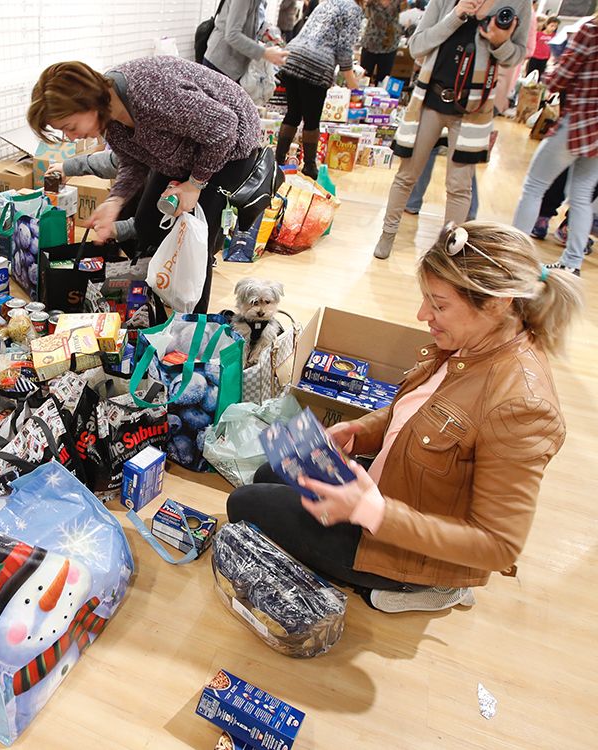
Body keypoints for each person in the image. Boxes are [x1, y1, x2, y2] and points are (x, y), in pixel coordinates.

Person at [228, 221, 583, 613]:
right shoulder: (470, 343)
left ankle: (425, 587)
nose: (421, 314)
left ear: (497, 303)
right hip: (389, 493)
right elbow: (420, 411)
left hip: (404, 544)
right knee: (265, 475)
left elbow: (498, 546)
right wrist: (361, 430)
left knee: (244, 503)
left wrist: (373, 511)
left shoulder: (523, 407)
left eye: (439, 304)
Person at [27, 58, 261, 314]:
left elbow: (224, 127)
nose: (71, 138)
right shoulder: (109, 117)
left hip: (229, 150)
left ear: (88, 101)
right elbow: (132, 162)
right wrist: (114, 201)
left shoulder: (150, 95)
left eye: (70, 127)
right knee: (146, 226)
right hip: (183, 154)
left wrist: (195, 184)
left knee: (192, 242)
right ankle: (153, 307)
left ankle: (192, 327)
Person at [373, 0, 531, 259]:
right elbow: (417, 46)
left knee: (459, 186)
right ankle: (387, 234)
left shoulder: (517, 4)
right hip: (430, 100)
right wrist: (455, 15)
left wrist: (500, 41)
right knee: (407, 175)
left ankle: (449, 253)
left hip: (473, 108)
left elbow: (516, 56)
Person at [512, 16, 598, 277]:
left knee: (534, 186)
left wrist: (551, 71)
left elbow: (561, 77)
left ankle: (513, 257)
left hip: (578, 122)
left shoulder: (591, 29)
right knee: (582, 196)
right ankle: (572, 263)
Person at [275, 0, 363, 179]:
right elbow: (345, 49)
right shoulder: (354, 9)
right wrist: (352, 82)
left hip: (293, 55)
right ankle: (309, 166)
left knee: (293, 113)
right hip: (317, 64)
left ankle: (277, 160)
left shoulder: (328, 2)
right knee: (312, 120)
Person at [45, 151, 136, 244]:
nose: (72, 139)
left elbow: (150, 223)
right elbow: (114, 161)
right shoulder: (134, 152)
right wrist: (67, 167)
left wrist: (121, 229)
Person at [204, 0, 290, 82]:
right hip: (220, 64)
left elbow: (252, 24)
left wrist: (268, 34)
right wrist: (265, 53)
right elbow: (232, 35)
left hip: (235, 66)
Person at [361, 0, 407, 85]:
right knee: (363, 77)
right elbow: (362, 7)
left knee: (383, 80)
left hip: (389, 45)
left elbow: (405, 11)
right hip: (370, 42)